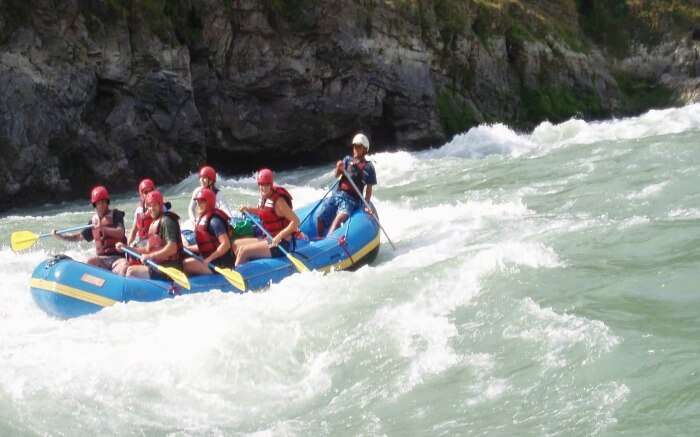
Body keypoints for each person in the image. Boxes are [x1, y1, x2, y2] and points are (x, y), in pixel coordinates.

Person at [52, 186, 127, 272]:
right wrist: (61, 236)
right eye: (99, 203)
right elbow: (78, 237)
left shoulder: (116, 215)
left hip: (117, 258)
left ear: (107, 202)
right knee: (90, 261)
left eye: (104, 202)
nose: (102, 205)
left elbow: (120, 232)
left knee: (124, 266)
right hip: (101, 259)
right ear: (95, 205)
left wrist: (102, 228)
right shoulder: (93, 222)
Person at [235, 168, 301, 266]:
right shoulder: (264, 197)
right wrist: (248, 209)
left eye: (266, 185)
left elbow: (296, 221)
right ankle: (245, 266)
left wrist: (280, 236)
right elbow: (264, 212)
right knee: (236, 244)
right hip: (269, 238)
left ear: (271, 185)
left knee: (243, 251)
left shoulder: (279, 202)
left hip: (281, 243)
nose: (263, 188)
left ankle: (238, 274)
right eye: (261, 184)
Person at [316, 133, 377, 237]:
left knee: (339, 218)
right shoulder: (347, 160)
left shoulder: (368, 167)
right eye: (354, 146)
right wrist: (338, 168)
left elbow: (369, 189)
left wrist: (366, 205)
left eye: (359, 147)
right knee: (320, 216)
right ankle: (319, 237)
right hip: (337, 195)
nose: (355, 149)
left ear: (365, 149)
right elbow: (337, 175)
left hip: (351, 200)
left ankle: (328, 239)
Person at [116, 190, 184, 280]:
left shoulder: (167, 221)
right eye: (149, 206)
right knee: (127, 268)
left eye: (154, 205)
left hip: (170, 267)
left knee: (131, 272)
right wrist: (126, 248)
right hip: (158, 264)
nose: (151, 208)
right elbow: (147, 249)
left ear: (160, 205)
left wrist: (150, 256)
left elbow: (172, 248)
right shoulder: (153, 224)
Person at [182, 188, 237, 275]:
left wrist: (209, 259)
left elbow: (226, 245)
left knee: (185, 264)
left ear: (209, 202)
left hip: (221, 264)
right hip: (212, 260)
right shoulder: (203, 219)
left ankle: (178, 285)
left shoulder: (214, 221)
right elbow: (207, 245)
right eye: (198, 201)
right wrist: (188, 249)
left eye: (201, 201)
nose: (198, 204)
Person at [127, 178, 156, 247]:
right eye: (146, 192)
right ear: (141, 194)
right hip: (143, 243)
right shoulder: (139, 210)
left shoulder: (160, 208)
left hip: (156, 243)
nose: (149, 194)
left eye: (151, 191)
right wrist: (128, 245)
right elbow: (134, 231)